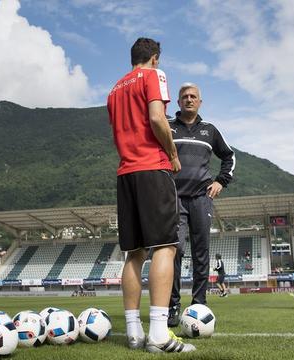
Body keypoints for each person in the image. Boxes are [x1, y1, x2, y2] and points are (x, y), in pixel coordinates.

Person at [106, 37, 195, 353]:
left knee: (134, 253)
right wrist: (171, 152)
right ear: (154, 58)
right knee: (166, 247)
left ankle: (133, 332)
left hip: (126, 173)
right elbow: (157, 118)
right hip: (151, 169)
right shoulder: (153, 75)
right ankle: (158, 334)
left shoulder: (114, 90)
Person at [166, 82, 235, 327]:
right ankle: (172, 305)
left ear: (200, 102)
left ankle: (199, 303)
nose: (189, 99)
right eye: (185, 96)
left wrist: (221, 181)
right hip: (173, 199)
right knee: (175, 251)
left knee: (201, 252)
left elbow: (229, 156)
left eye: (193, 96)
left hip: (201, 198)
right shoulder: (167, 127)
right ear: (178, 102)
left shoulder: (210, 130)